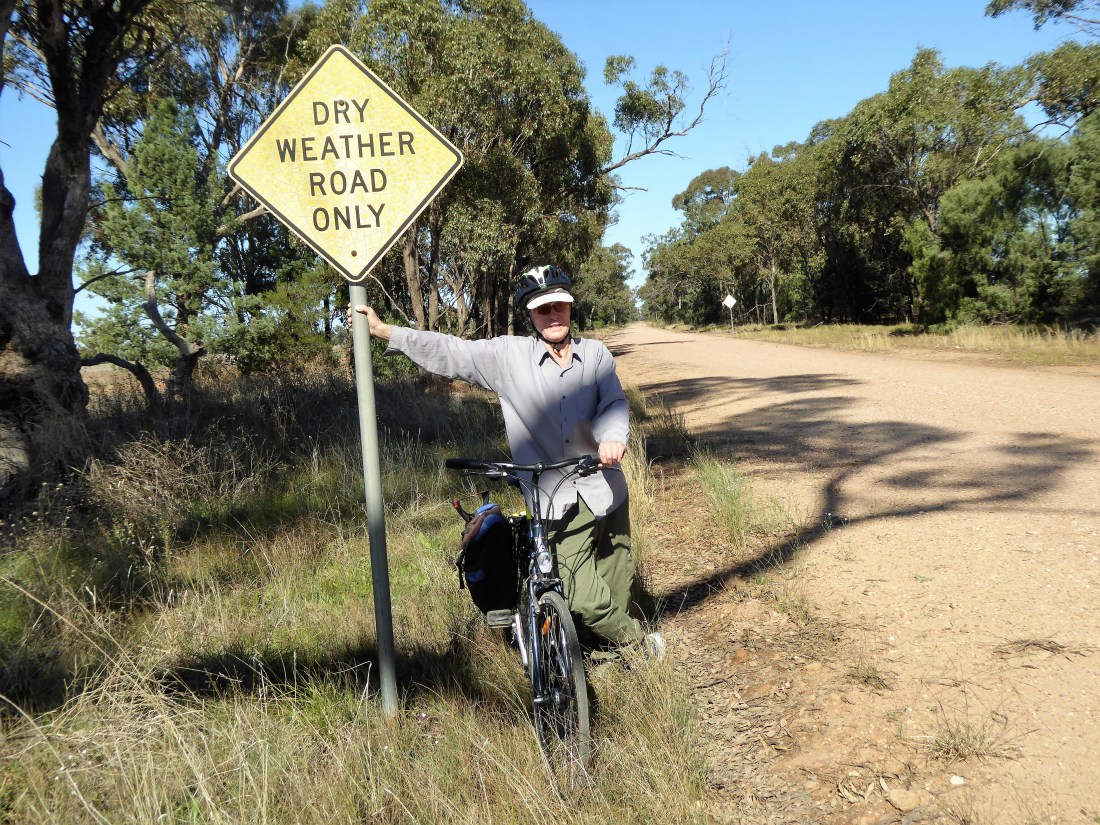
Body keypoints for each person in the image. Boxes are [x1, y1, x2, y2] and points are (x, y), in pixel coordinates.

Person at [350, 265, 664, 658]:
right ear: (530, 315)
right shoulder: (507, 356)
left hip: (605, 487)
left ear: (570, 307)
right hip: (554, 499)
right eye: (543, 309)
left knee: (618, 577)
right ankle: (638, 644)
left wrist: (613, 436)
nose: (553, 315)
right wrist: (387, 332)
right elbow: (453, 351)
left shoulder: (596, 354)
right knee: (581, 595)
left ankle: (607, 657)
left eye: (559, 306)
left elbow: (613, 402)